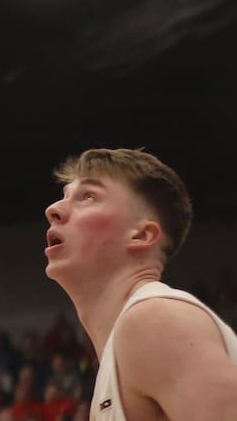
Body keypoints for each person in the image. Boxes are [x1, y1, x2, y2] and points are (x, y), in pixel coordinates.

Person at [43, 147, 237, 419]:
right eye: (64, 196)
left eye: (88, 196)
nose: (53, 209)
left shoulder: (155, 319)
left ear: (142, 235)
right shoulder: (126, 344)